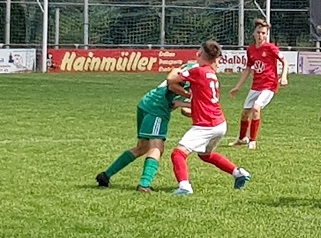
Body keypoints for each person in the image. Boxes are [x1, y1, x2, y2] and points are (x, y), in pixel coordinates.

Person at [95, 61, 197, 192]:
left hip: (147, 103)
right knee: (157, 147)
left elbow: (183, 108)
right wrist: (191, 96)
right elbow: (172, 85)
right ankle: (144, 184)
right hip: (157, 108)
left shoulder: (196, 73)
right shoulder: (195, 70)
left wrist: (198, 108)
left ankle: (105, 176)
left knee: (142, 147)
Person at [167, 40, 251, 195]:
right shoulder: (211, 74)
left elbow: (171, 80)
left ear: (201, 54)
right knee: (205, 155)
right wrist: (183, 102)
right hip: (219, 123)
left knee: (178, 154)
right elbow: (199, 99)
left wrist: (177, 69)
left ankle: (184, 187)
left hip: (206, 125)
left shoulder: (198, 71)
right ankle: (238, 173)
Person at [228, 19, 288, 150]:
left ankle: (252, 141)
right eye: (259, 32)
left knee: (256, 108)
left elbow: (285, 62)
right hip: (256, 86)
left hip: (269, 85)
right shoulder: (250, 50)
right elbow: (248, 69)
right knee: (244, 114)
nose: (261, 35)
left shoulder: (271, 48)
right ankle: (241, 138)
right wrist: (237, 87)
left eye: (264, 33)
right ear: (254, 34)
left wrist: (283, 77)